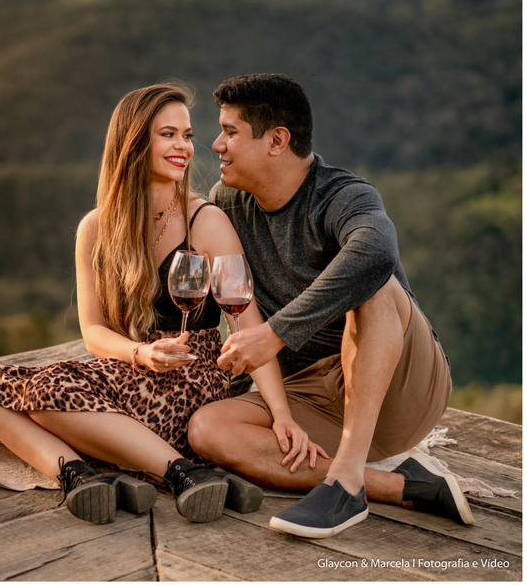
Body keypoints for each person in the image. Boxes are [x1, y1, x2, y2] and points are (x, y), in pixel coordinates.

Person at [0, 82, 275, 525]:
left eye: (187, 135)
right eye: (168, 134)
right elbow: (94, 333)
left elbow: (250, 327)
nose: (183, 146)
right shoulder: (96, 228)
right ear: (134, 141)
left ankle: (181, 473)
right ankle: (80, 477)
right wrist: (139, 353)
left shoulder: (206, 220)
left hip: (188, 380)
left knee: (46, 390)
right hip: (126, 371)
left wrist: (283, 417)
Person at [187, 73, 474, 538]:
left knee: (373, 283)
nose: (216, 144)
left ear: (277, 140)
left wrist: (277, 332)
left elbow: (378, 253)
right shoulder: (229, 204)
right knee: (208, 429)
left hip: (400, 388)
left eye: (231, 131)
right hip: (314, 397)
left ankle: (343, 485)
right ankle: (395, 486)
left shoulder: (344, 195)